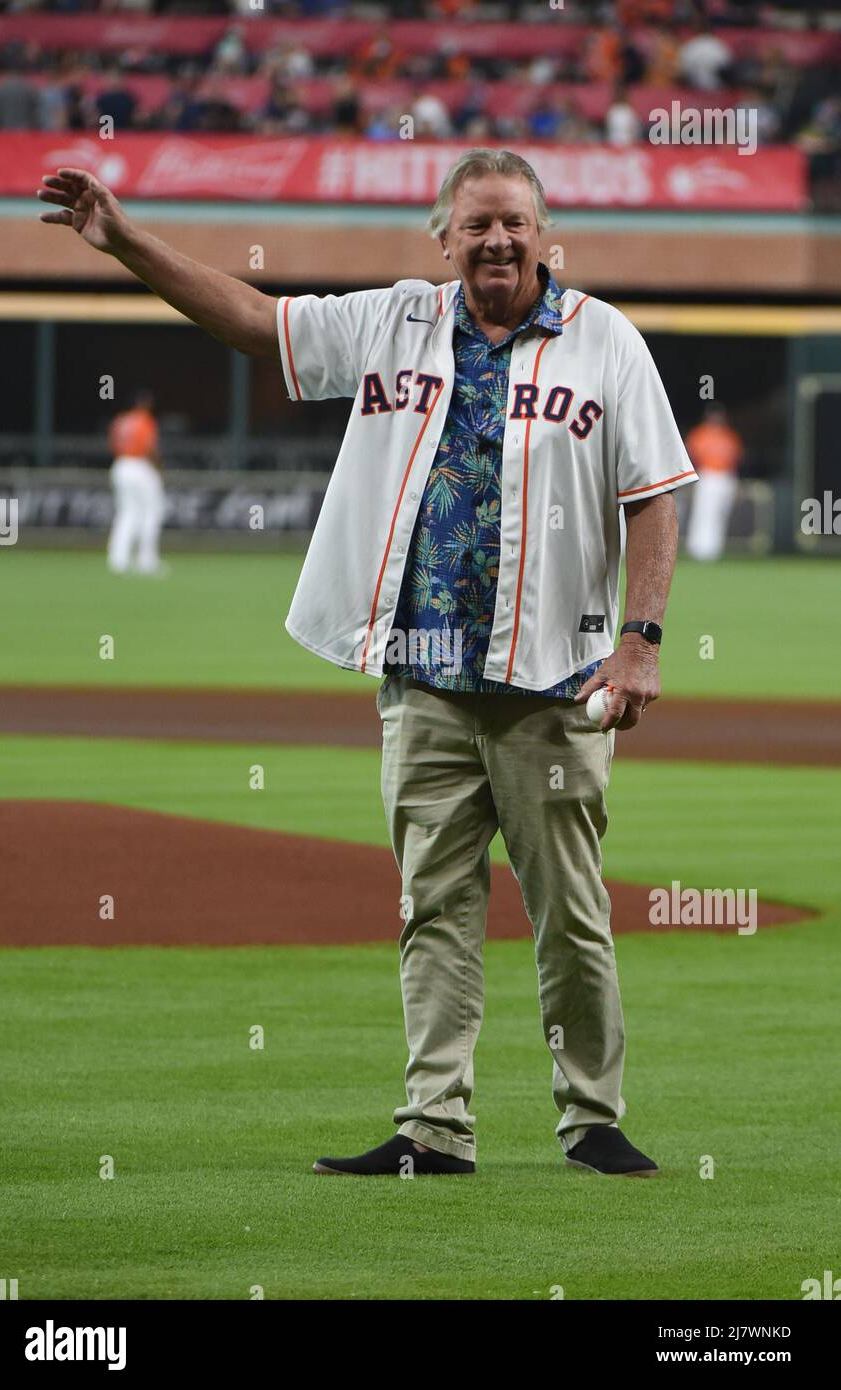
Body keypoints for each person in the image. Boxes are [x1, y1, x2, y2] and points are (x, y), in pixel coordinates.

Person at [38, 148, 697, 1179]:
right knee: (431, 909)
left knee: (568, 912)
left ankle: (590, 1118)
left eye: (513, 223)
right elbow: (254, 323)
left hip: (553, 686)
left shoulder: (602, 339)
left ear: (542, 232)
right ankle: (433, 1126)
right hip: (423, 678)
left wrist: (641, 639)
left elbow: (653, 492)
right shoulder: (393, 321)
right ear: (442, 236)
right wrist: (122, 238)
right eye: (475, 223)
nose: (496, 240)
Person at [106, 389, 166, 576]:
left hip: (120, 465)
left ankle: (118, 559)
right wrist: (158, 467)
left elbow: (112, 445)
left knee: (126, 513)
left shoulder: (121, 420)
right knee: (153, 512)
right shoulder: (144, 419)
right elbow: (149, 447)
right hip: (140, 465)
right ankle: (146, 560)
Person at [684, 403, 743, 561]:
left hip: (725, 477)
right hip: (707, 476)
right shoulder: (699, 434)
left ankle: (713, 549)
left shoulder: (729, 436)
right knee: (703, 513)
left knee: (720, 514)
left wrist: (735, 482)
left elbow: (735, 461)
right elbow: (691, 459)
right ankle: (698, 549)